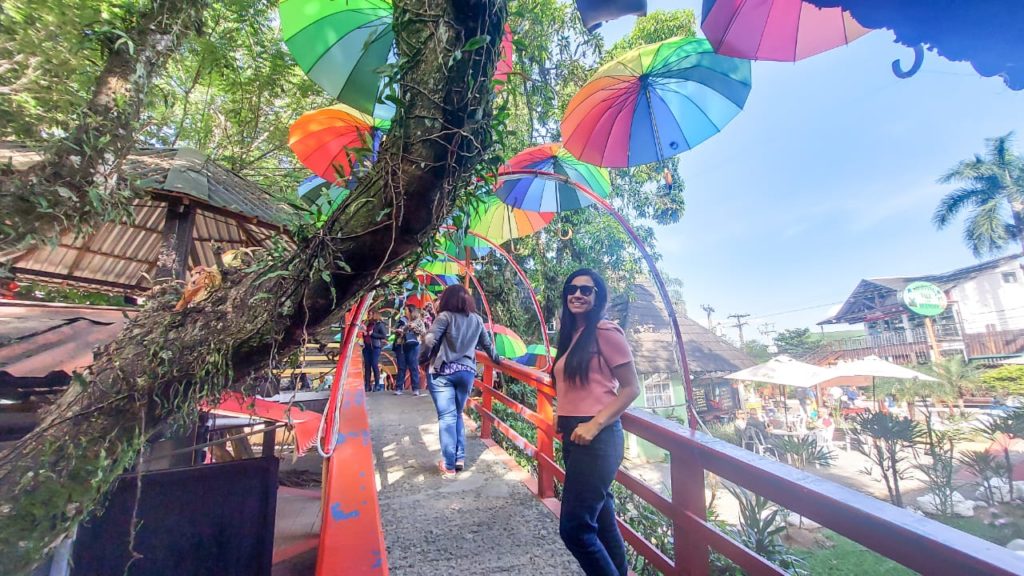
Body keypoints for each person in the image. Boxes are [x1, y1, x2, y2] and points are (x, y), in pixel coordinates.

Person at [551, 269, 639, 576]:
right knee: (601, 520)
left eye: (586, 290)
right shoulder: (572, 336)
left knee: (575, 529)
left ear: (597, 297)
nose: (577, 294)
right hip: (573, 433)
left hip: (597, 436)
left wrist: (594, 424)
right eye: (572, 288)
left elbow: (631, 388)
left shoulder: (605, 331)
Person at [421, 285, 499, 478]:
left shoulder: (445, 317)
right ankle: (459, 458)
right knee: (456, 414)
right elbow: (488, 345)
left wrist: (420, 360)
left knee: (447, 417)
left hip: (443, 372)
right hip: (466, 372)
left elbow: (429, 340)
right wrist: (497, 360)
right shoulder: (477, 320)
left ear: (447, 300)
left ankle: (448, 464)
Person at [394, 304, 427, 396]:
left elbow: (424, 332)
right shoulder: (402, 320)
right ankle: (399, 387)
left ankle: (415, 388)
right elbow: (395, 329)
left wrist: (414, 327)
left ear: (411, 311)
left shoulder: (418, 321)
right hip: (402, 345)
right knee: (401, 367)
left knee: (413, 366)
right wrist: (399, 331)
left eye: (406, 310)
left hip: (414, 345)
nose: (405, 312)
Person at [361, 310, 388, 392]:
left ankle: (377, 385)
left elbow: (384, 335)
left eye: (370, 314)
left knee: (374, 364)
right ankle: (367, 385)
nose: (368, 315)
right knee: (367, 366)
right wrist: (364, 333)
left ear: (374, 315)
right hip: (367, 346)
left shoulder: (379, 325)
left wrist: (372, 334)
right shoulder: (368, 324)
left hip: (375, 347)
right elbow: (367, 334)